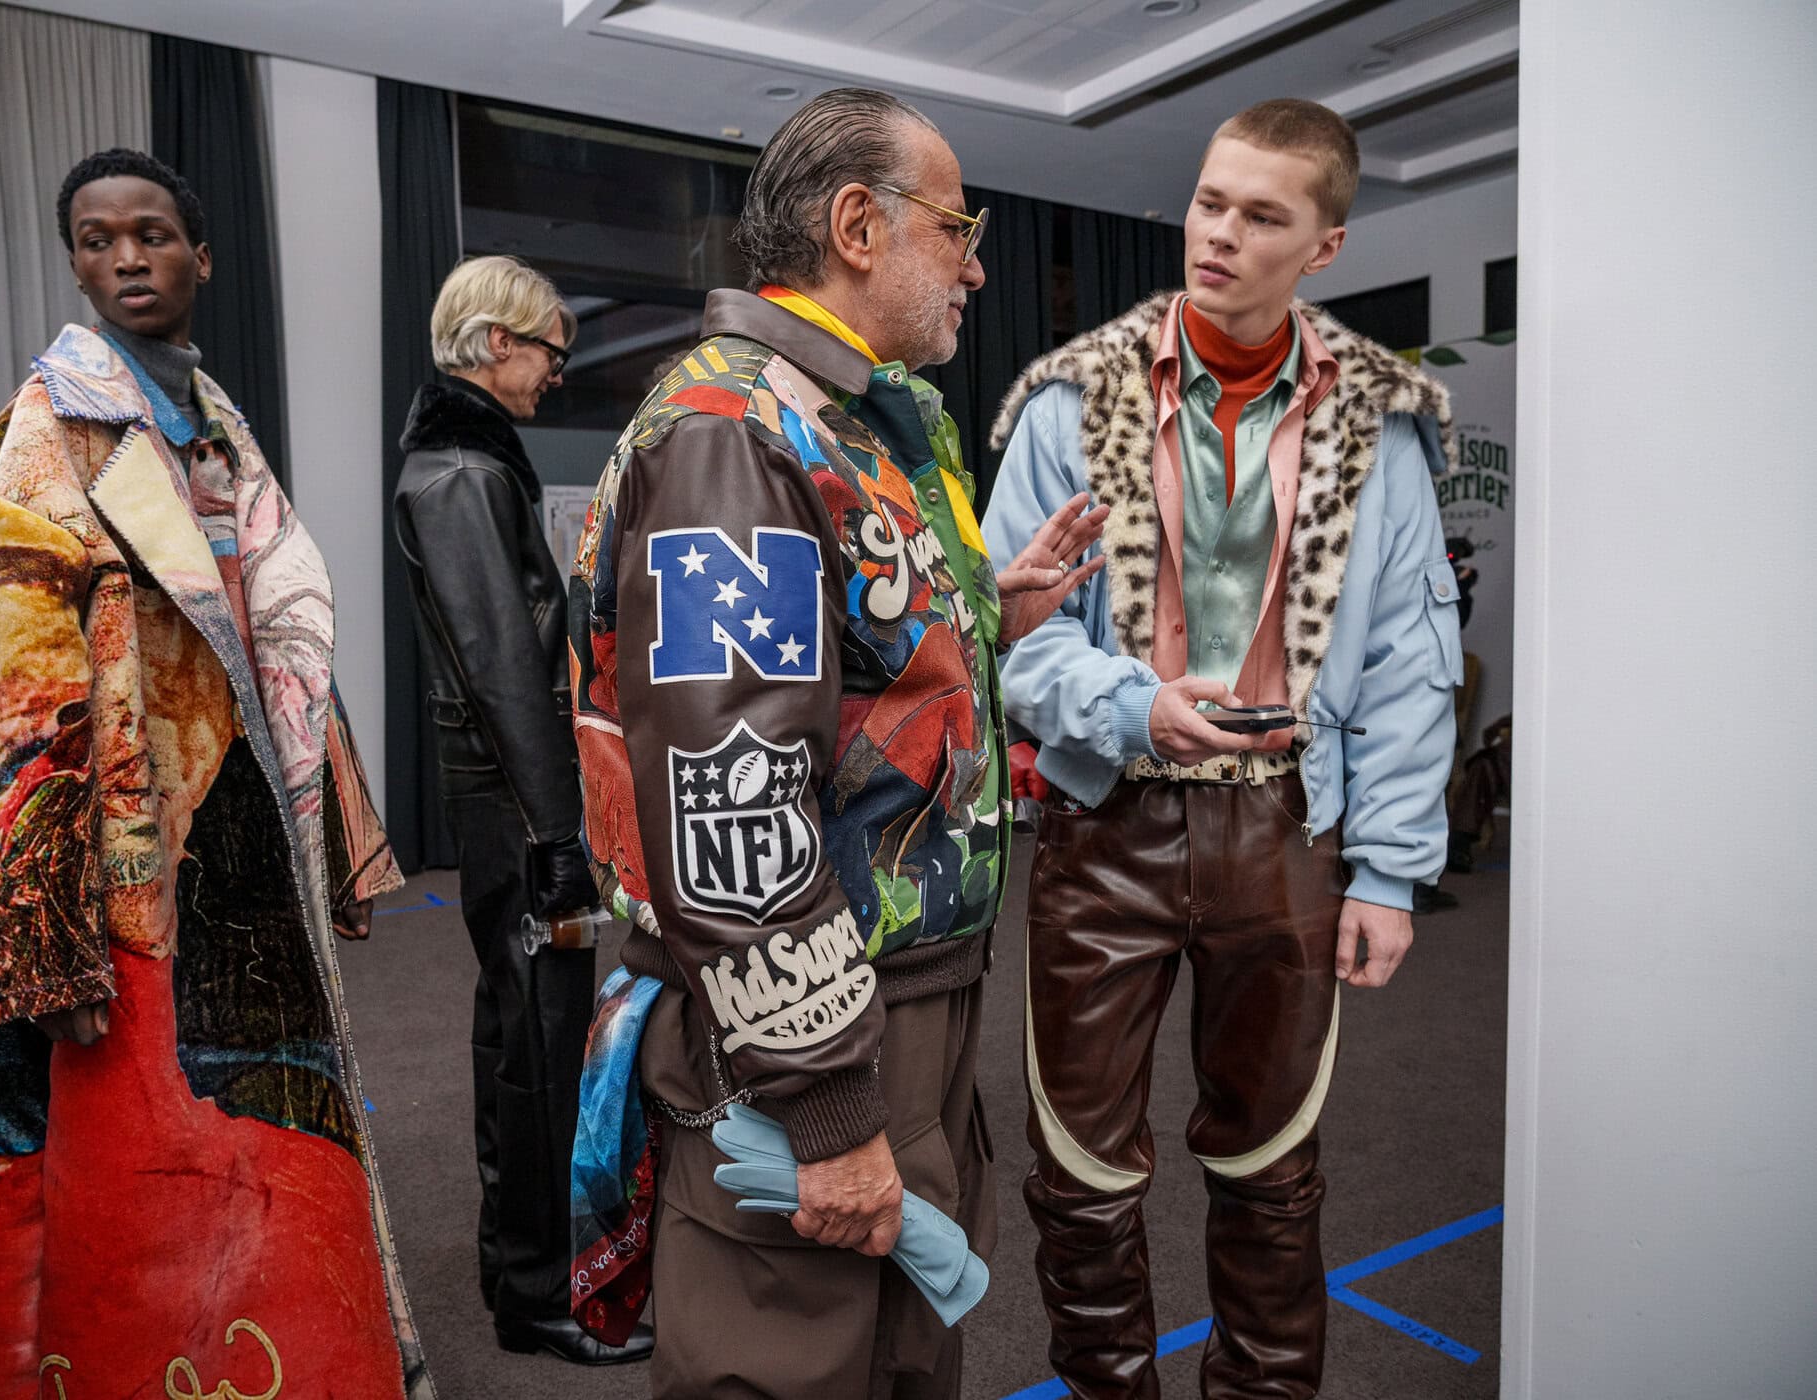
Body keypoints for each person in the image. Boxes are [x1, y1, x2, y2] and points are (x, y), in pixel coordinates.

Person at [569, 87, 1103, 1398]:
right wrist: (823, 1104)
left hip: (886, 1002)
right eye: (956, 225)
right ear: (859, 225)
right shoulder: (730, 432)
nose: (977, 262)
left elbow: (843, 684)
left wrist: (988, 615)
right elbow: (725, 789)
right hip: (801, 1024)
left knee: (889, 1354)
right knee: (792, 1359)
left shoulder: (846, 412)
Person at [0, 149, 434, 1398]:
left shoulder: (209, 418)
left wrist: (333, 840)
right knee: (131, 1174)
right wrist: (44, 931)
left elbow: (278, 635)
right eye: (95, 240)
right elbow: (5, 691)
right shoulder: (42, 436)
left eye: (150, 235)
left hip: (229, 843)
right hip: (126, 856)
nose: (125, 258)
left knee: (252, 1150)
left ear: (201, 254)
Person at [983, 98, 1461, 1397]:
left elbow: (1415, 661)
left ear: (1325, 247)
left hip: (1289, 832)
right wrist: (1136, 706)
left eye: (1262, 216)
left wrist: (1388, 871)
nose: (1221, 234)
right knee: (1077, 1179)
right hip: (1106, 827)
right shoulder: (1068, 407)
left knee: (1272, 1170)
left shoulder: (1378, 433)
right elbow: (1017, 642)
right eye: (1209, 201)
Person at [391, 254, 652, 1365]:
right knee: (539, 1038)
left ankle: (519, 1267)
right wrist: (561, 838)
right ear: (495, 344)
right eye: (549, 345)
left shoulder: (461, 459)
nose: (559, 367)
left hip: (507, 797)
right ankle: (538, 1295)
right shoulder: (460, 473)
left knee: (518, 1031)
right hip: (519, 804)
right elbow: (507, 671)